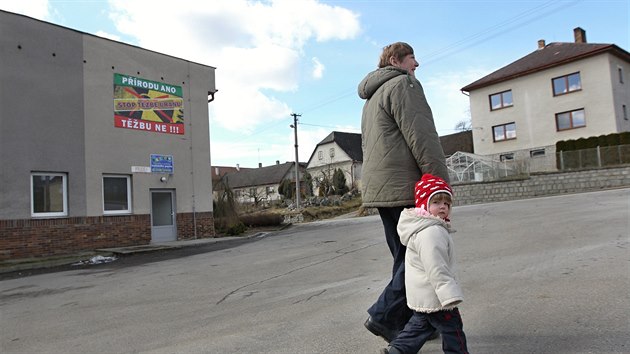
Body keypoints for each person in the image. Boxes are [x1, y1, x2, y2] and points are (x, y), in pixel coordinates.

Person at [358, 41, 450, 343]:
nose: (417, 64)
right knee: (418, 257)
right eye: (412, 57)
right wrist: (438, 183)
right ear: (396, 60)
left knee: (404, 256)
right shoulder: (404, 85)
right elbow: (421, 134)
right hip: (404, 186)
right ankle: (385, 316)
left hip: (381, 188)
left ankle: (413, 322)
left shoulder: (371, 97)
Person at [381, 174, 468, 354]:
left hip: (424, 293)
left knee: (419, 326)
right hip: (437, 295)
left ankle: (396, 351)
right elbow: (436, 267)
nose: (443, 206)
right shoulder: (431, 232)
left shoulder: (426, 227)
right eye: (436, 202)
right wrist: (448, 295)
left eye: (447, 203)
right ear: (424, 205)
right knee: (453, 329)